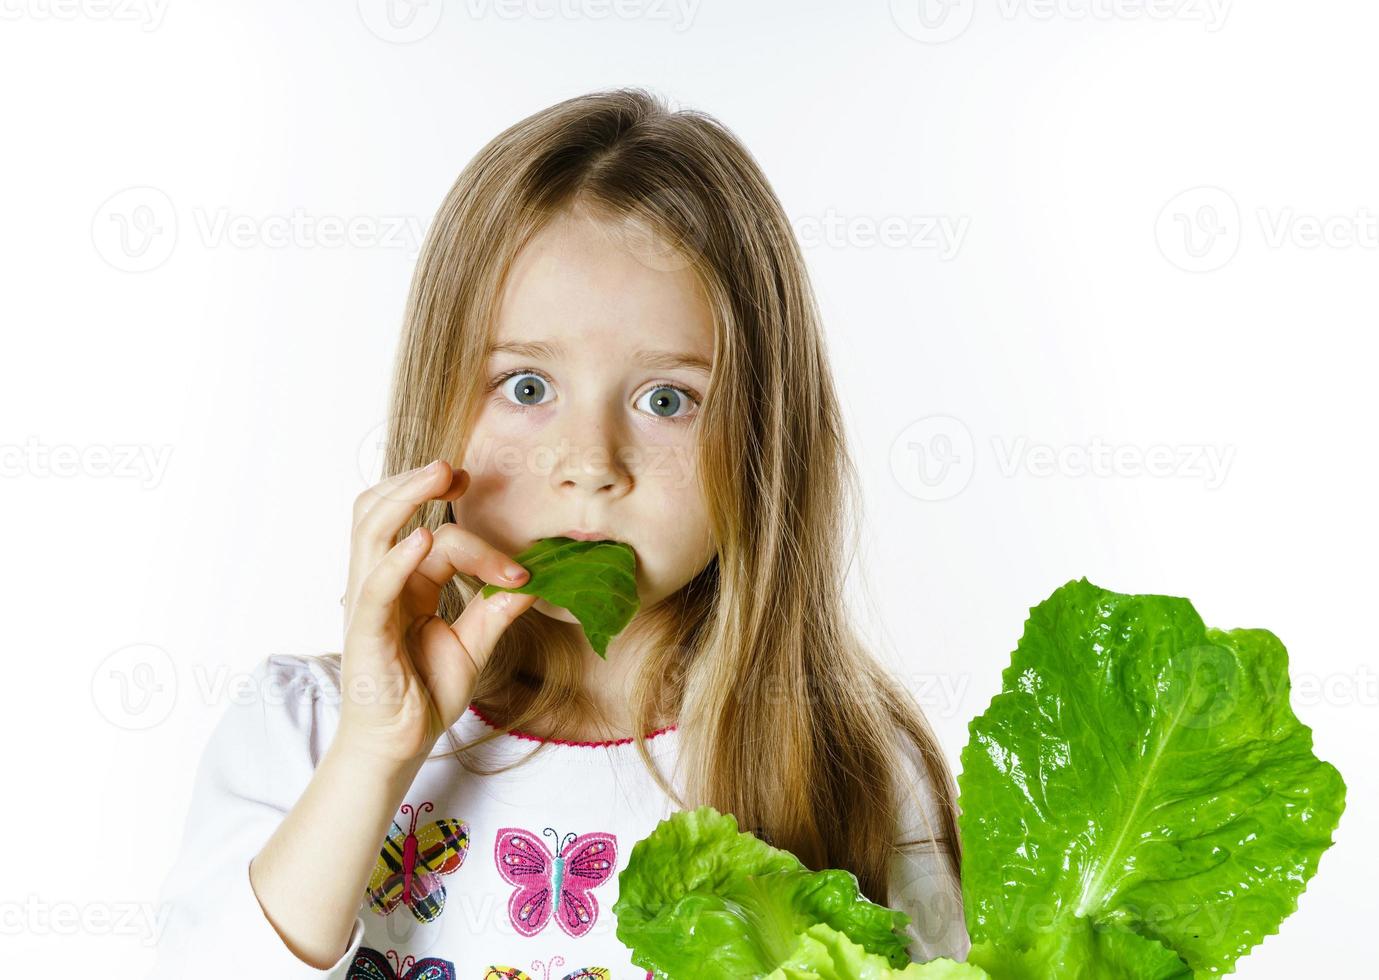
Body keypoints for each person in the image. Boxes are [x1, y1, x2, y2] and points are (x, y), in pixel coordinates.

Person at [149, 87, 969, 978]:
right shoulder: (303, 732)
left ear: (762, 445)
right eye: (527, 387)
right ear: (439, 403)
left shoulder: (848, 764)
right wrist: (373, 755)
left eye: (667, 400)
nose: (589, 463)